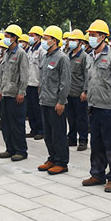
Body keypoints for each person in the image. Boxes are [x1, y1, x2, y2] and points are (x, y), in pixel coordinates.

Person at [82, 20, 111, 193]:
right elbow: (88, 79)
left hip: (109, 107)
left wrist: (108, 94)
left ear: (102, 37)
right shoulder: (89, 57)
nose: (90, 38)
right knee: (96, 143)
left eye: (93, 35)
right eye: (90, 35)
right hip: (94, 106)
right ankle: (97, 174)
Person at [37, 26, 72, 175]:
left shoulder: (62, 58)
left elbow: (65, 82)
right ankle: (52, 158)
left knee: (58, 134)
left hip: (55, 103)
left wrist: (61, 102)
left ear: (54, 40)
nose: (43, 41)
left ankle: (61, 162)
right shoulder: (46, 56)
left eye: (46, 38)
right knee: (48, 134)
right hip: (44, 100)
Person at [0, 24, 30, 160]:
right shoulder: (6, 53)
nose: (5, 38)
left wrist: (21, 92)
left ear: (14, 38)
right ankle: (10, 148)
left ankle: (21, 151)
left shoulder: (21, 54)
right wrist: (1, 89)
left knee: (17, 124)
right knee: (6, 123)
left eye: (7, 36)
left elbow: (24, 75)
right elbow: (4, 74)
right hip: (6, 93)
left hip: (15, 94)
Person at [66, 29, 90, 151]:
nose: (71, 42)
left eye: (74, 40)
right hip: (69, 92)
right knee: (71, 118)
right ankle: (72, 138)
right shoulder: (67, 55)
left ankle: (83, 140)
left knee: (82, 118)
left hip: (79, 93)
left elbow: (87, 75)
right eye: (70, 40)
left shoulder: (84, 57)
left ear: (80, 42)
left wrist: (85, 91)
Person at [26, 26, 46, 140]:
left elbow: (43, 69)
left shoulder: (42, 50)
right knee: (31, 109)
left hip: (37, 84)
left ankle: (41, 130)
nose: (30, 37)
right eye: (29, 35)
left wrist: (41, 84)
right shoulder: (30, 49)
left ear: (38, 37)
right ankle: (33, 129)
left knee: (38, 109)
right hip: (29, 83)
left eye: (32, 35)